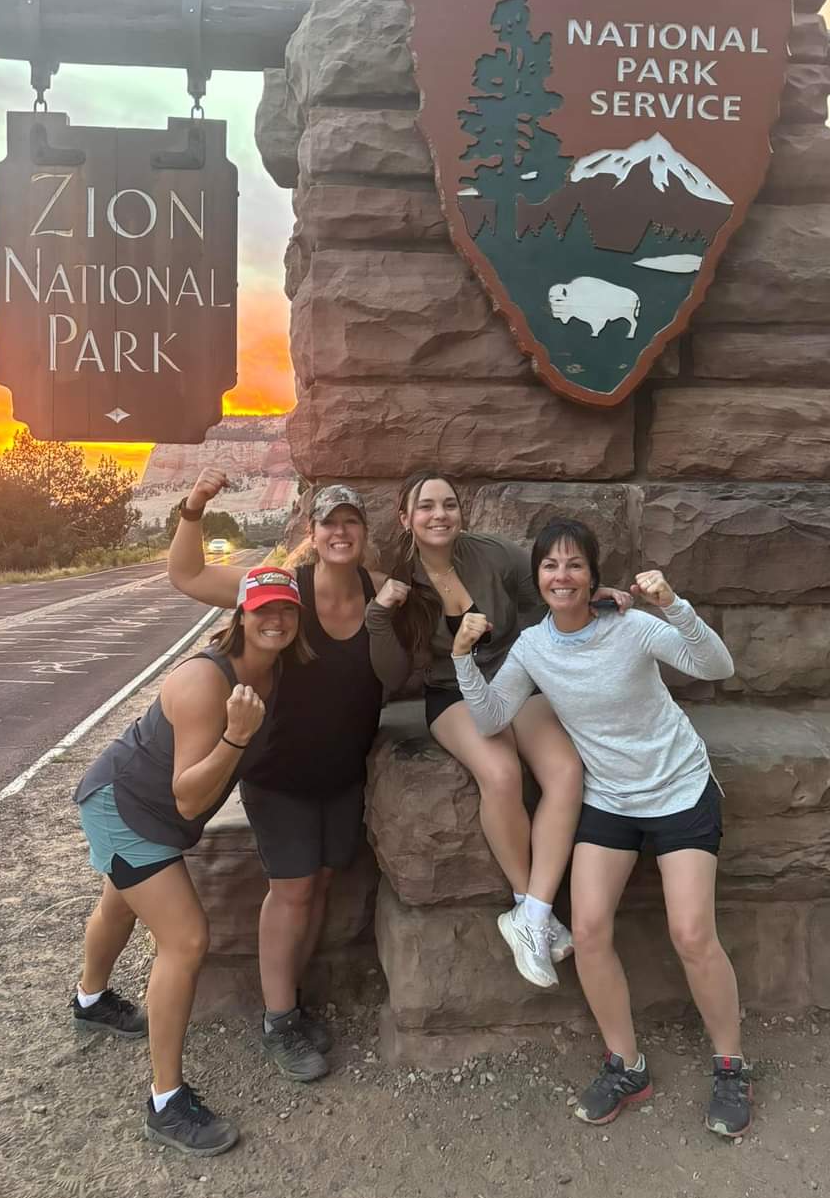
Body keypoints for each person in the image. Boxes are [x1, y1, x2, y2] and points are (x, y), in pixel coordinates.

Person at [449, 517, 751, 1139]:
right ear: (538, 578)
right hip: (611, 798)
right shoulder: (533, 647)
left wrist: (674, 605)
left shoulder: (633, 626)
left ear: (592, 576)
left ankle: (730, 1065)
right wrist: (462, 661)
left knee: (692, 933)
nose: (563, 576)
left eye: (575, 565)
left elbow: (715, 665)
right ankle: (626, 1064)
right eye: (551, 566)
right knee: (586, 931)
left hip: (678, 790)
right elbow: (491, 717)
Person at [70, 564, 305, 1157]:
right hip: (127, 808)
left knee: (119, 905)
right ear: (240, 616)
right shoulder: (207, 684)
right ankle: (166, 1103)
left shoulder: (274, 672)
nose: (274, 620)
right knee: (186, 941)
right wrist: (236, 736)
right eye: (262, 610)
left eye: (286, 610)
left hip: (150, 812)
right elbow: (190, 795)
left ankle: (91, 1002)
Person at [365, 472, 630, 991]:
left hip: (515, 677)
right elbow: (393, 675)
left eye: (449, 504)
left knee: (567, 771)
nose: (439, 515)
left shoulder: (492, 553)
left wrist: (592, 595)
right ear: (406, 519)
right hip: (452, 693)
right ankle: (524, 903)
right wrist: (379, 617)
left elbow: (549, 585)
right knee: (503, 774)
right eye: (426, 507)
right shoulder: (401, 580)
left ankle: (533, 913)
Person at [167, 470, 389, 1083]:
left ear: (365, 534)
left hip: (343, 776)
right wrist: (195, 507)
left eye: (350, 521)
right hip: (278, 774)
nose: (340, 531)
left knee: (317, 885)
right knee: (291, 890)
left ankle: (292, 1002)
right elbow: (187, 576)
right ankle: (278, 1018)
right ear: (312, 534)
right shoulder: (283, 587)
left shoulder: (383, 590)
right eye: (328, 522)